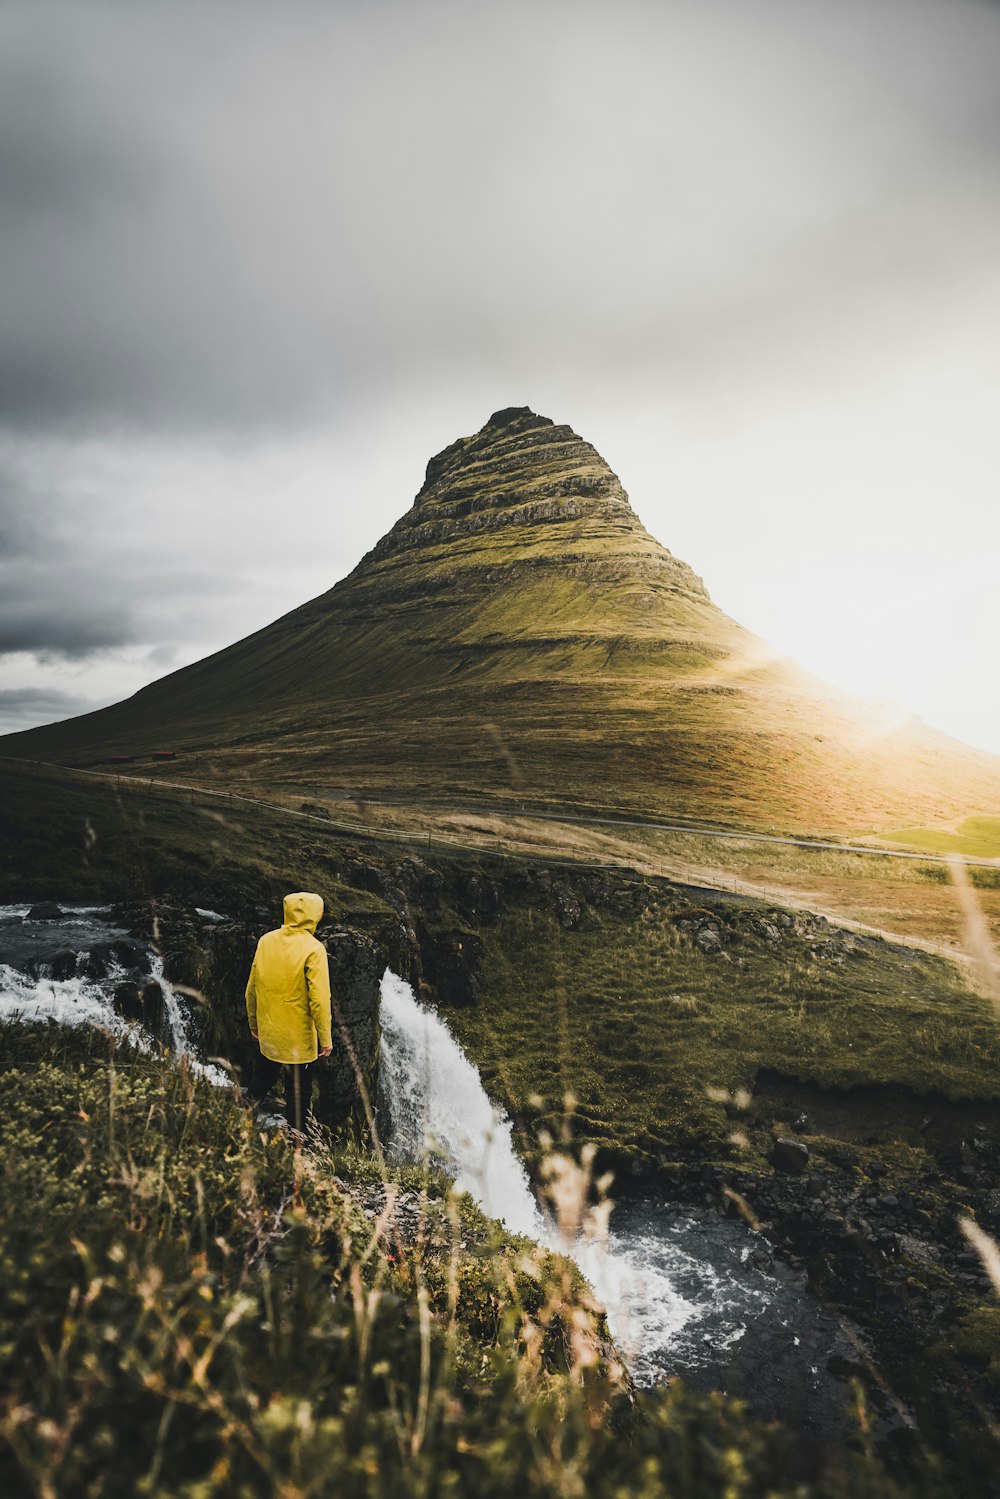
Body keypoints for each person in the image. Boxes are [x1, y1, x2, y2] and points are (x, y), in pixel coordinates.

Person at [244, 891, 333, 1134]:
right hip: (299, 1042)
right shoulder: (314, 949)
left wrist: (254, 1024)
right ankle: (297, 1145)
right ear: (314, 915)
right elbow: (319, 1000)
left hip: (270, 1033)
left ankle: (236, 1123)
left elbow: (251, 988)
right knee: (299, 1096)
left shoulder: (266, 941)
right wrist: (325, 1038)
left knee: (259, 1083)